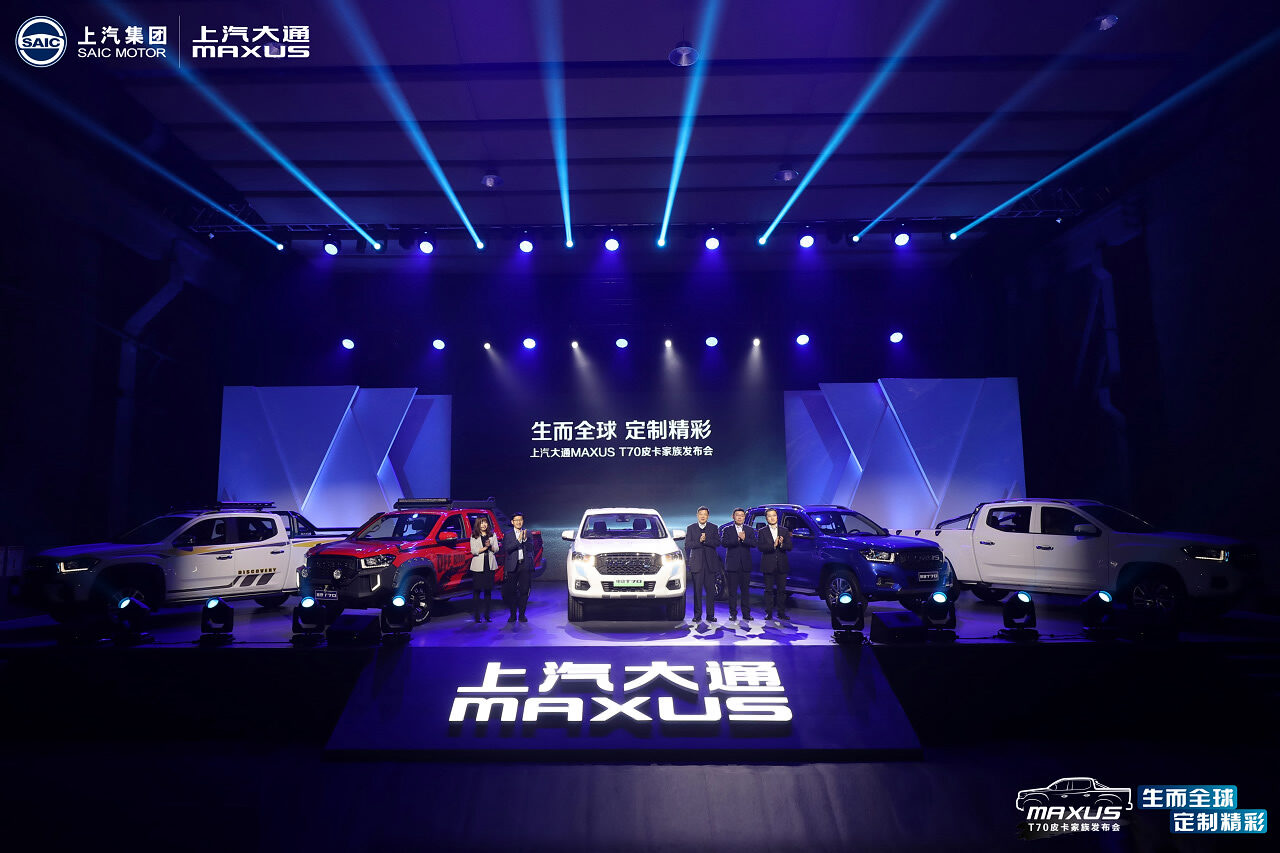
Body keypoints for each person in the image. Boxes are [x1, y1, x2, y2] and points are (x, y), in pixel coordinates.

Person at [684, 506, 721, 622]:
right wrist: (699, 541)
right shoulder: (691, 528)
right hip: (697, 564)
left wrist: (706, 540)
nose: (703, 516)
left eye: (705, 514)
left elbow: (717, 542)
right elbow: (688, 544)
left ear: (708, 516)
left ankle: (710, 615)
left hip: (710, 565)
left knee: (710, 591)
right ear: (697, 515)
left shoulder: (713, 528)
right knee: (697, 591)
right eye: (701, 514)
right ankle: (697, 615)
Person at [756, 508, 792, 620]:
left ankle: (781, 613)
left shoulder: (784, 531)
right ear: (766, 518)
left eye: (774, 515)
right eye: (769, 516)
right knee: (768, 590)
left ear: (777, 517)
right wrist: (773, 545)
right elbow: (760, 547)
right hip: (768, 565)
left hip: (782, 565)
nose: (772, 518)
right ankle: (769, 613)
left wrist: (781, 545)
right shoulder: (762, 531)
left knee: (782, 591)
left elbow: (790, 547)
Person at [721, 507, 756, 623]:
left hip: (745, 565)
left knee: (745, 591)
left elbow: (754, 543)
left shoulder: (749, 530)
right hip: (732, 565)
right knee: (732, 591)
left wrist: (744, 539)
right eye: (737, 515)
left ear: (744, 517)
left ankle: (746, 614)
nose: (740, 517)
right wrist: (737, 539)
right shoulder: (727, 530)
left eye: (742, 515)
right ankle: (733, 613)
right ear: (733, 517)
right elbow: (724, 543)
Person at [501, 511, 532, 623]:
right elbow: (507, 549)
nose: (519, 522)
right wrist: (518, 541)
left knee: (524, 591)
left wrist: (525, 540)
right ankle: (513, 615)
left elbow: (531, 548)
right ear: (512, 522)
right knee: (512, 591)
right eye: (516, 520)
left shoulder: (528, 533)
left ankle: (522, 615)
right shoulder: (508, 534)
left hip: (524, 565)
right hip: (512, 566)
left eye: (520, 520)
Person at [469, 517, 500, 622]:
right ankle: (477, 616)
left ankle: (487, 615)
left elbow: (497, 549)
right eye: (481, 523)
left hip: (489, 566)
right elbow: (474, 551)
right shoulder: (474, 536)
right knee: (477, 591)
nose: (484, 525)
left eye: (485, 522)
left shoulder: (492, 535)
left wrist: (490, 546)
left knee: (488, 591)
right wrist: (485, 548)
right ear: (478, 524)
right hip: (478, 567)